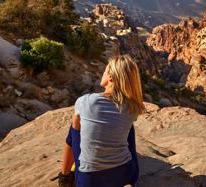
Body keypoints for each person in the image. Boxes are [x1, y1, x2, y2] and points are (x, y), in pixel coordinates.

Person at [54, 55, 146, 187]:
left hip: (90, 180)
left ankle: (65, 176)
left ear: (110, 77)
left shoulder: (85, 101)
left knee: (75, 128)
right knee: (129, 128)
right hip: (125, 174)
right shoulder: (132, 108)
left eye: (105, 70)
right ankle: (128, 183)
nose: (102, 73)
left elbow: (73, 140)